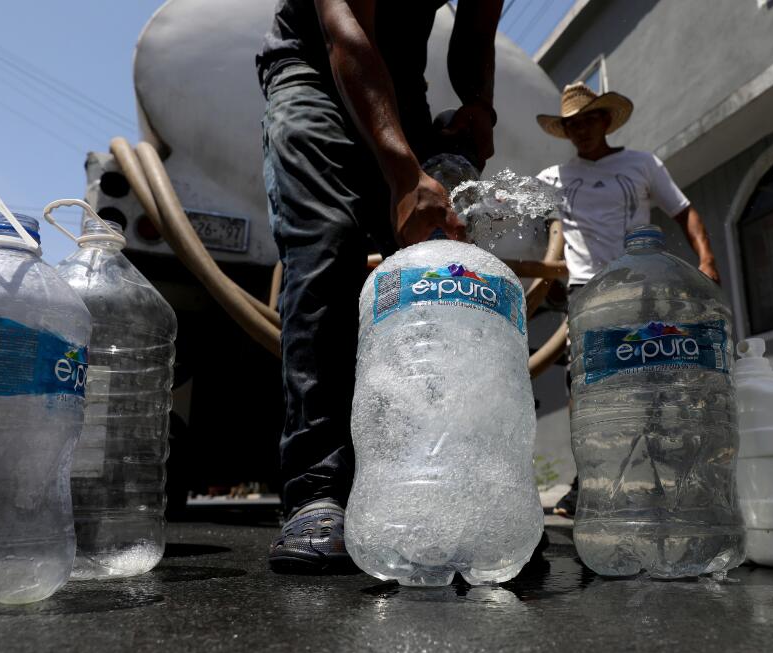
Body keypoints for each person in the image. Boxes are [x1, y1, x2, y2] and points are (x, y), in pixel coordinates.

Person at [258, 0, 502, 573]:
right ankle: (318, 490)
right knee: (330, 243)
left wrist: (478, 106)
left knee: (427, 268)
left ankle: (423, 485)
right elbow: (346, 33)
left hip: (398, 84)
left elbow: (475, 31)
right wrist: (402, 172)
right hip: (316, 67)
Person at [530, 82, 719, 516]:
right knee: (586, 381)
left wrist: (706, 258)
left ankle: (665, 477)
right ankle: (589, 484)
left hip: (640, 282)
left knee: (650, 377)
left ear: (605, 120)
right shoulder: (553, 179)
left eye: (588, 120)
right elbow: (525, 218)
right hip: (584, 292)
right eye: (571, 125)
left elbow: (683, 210)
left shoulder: (642, 165)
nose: (580, 131)